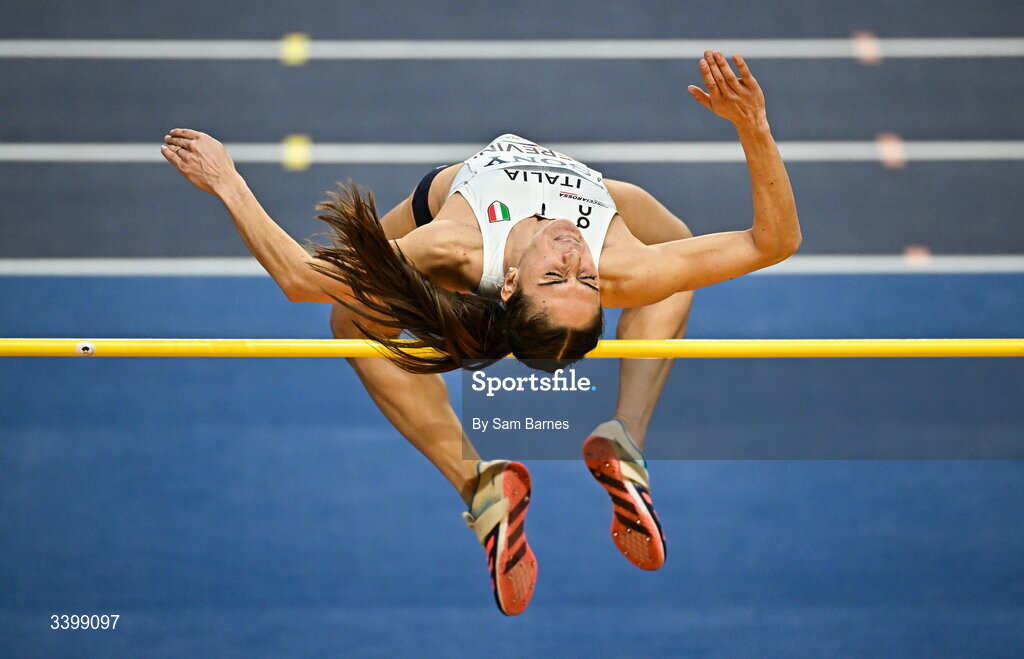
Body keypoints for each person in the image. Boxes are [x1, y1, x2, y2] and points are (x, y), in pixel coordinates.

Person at [160, 51, 800, 616]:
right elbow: (774, 242)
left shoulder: (455, 243)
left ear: (515, 283)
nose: (576, 255)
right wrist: (754, 129)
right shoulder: (618, 265)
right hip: (604, 198)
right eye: (586, 279)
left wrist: (227, 180)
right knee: (674, 258)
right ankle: (608, 444)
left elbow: (301, 277)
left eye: (562, 276)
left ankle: (493, 482)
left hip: (447, 202)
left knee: (345, 318)